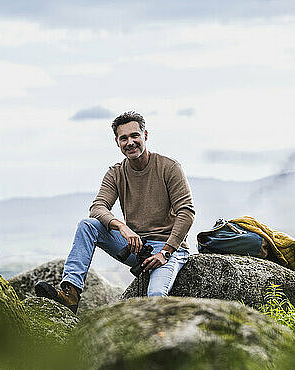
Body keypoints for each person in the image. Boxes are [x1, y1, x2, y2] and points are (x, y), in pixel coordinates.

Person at [35, 111, 195, 313]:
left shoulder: (169, 167)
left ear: (145, 135)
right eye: (123, 138)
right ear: (117, 142)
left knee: (155, 296)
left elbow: (186, 212)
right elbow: (97, 207)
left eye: (134, 135)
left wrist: (166, 251)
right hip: (136, 247)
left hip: (168, 248)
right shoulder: (116, 172)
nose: (130, 142)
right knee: (88, 225)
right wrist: (121, 227)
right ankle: (70, 293)